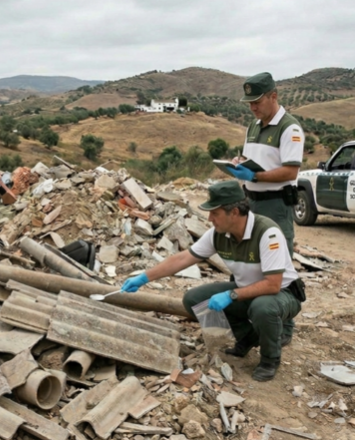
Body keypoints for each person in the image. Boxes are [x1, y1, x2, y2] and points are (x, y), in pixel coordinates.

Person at [121, 181, 304, 381]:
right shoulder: (218, 234)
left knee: (263, 308)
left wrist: (231, 294)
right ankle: (248, 336)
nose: (209, 219)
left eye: (214, 213)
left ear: (234, 212)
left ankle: (270, 359)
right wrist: (144, 277)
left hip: (281, 294)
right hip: (247, 291)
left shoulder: (267, 233)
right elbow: (183, 258)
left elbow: (273, 284)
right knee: (194, 299)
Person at [226, 72, 305, 346]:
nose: (253, 107)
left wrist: (256, 177)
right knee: (251, 257)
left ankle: (284, 326)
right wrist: (241, 164)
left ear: (274, 96)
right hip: (252, 201)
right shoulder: (254, 126)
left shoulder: (289, 128)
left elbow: (290, 170)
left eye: (257, 101)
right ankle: (251, 317)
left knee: (278, 262)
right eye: (249, 103)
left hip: (276, 203)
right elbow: (255, 159)